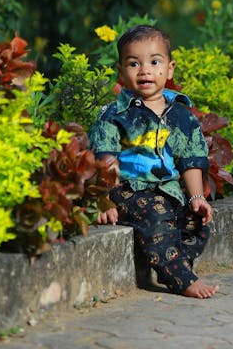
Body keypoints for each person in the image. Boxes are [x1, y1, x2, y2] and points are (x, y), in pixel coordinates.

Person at [88, 24, 219, 299]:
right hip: (127, 189)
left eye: (154, 62)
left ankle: (178, 264)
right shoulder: (114, 115)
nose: (145, 70)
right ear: (121, 71)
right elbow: (105, 159)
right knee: (157, 215)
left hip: (167, 189)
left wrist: (196, 196)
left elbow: (191, 159)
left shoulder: (181, 115)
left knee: (197, 221)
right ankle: (181, 280)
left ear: (169, 69)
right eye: (134, 64)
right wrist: (103, 201)